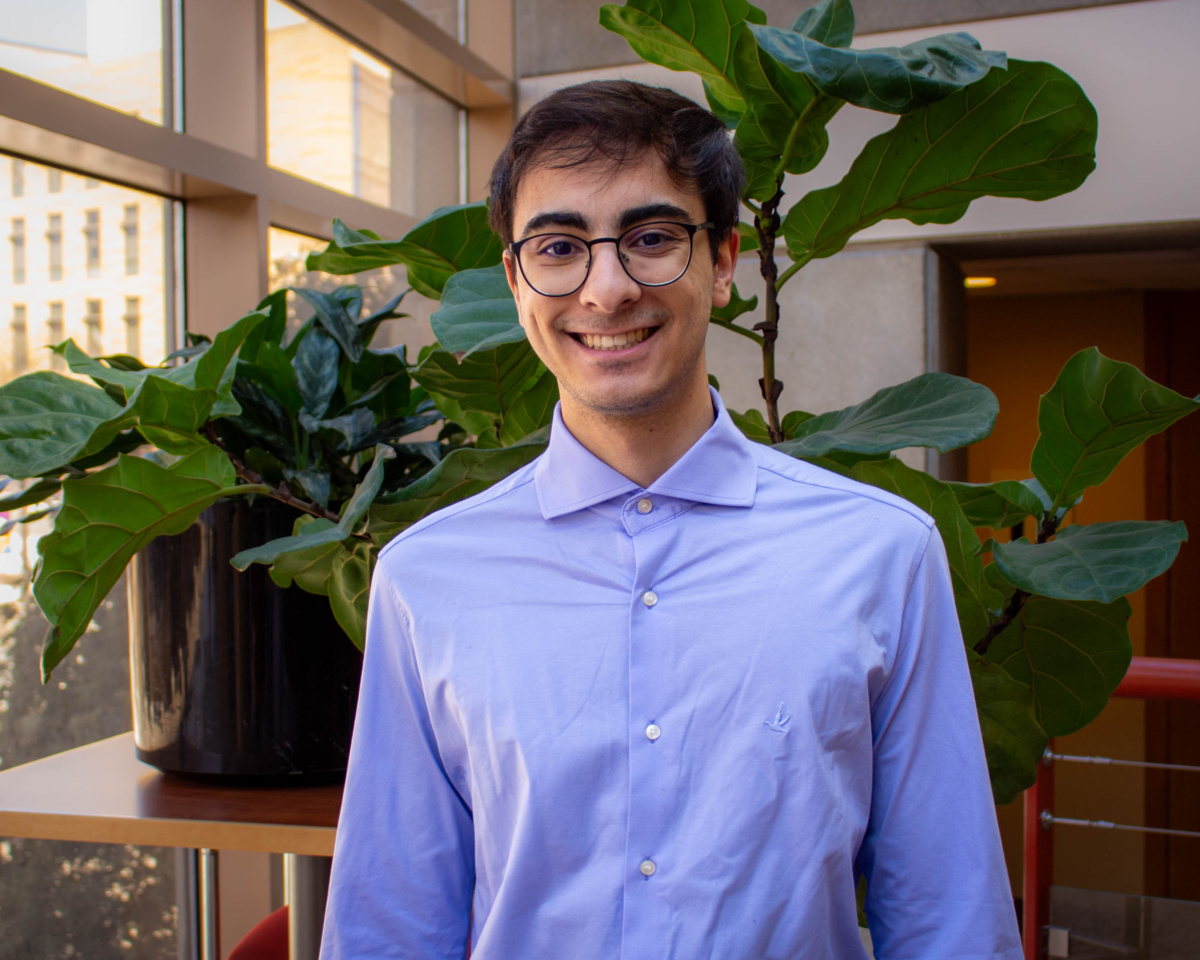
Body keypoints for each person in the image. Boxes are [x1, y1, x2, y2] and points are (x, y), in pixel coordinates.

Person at [319, 80, 1021, 960]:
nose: (606, 289)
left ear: (723, 261)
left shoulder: (883, 556)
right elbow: (391, 923)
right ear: (514, 280)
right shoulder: (428, 579)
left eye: (651, 239)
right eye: (559, 247)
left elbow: (950, 918)